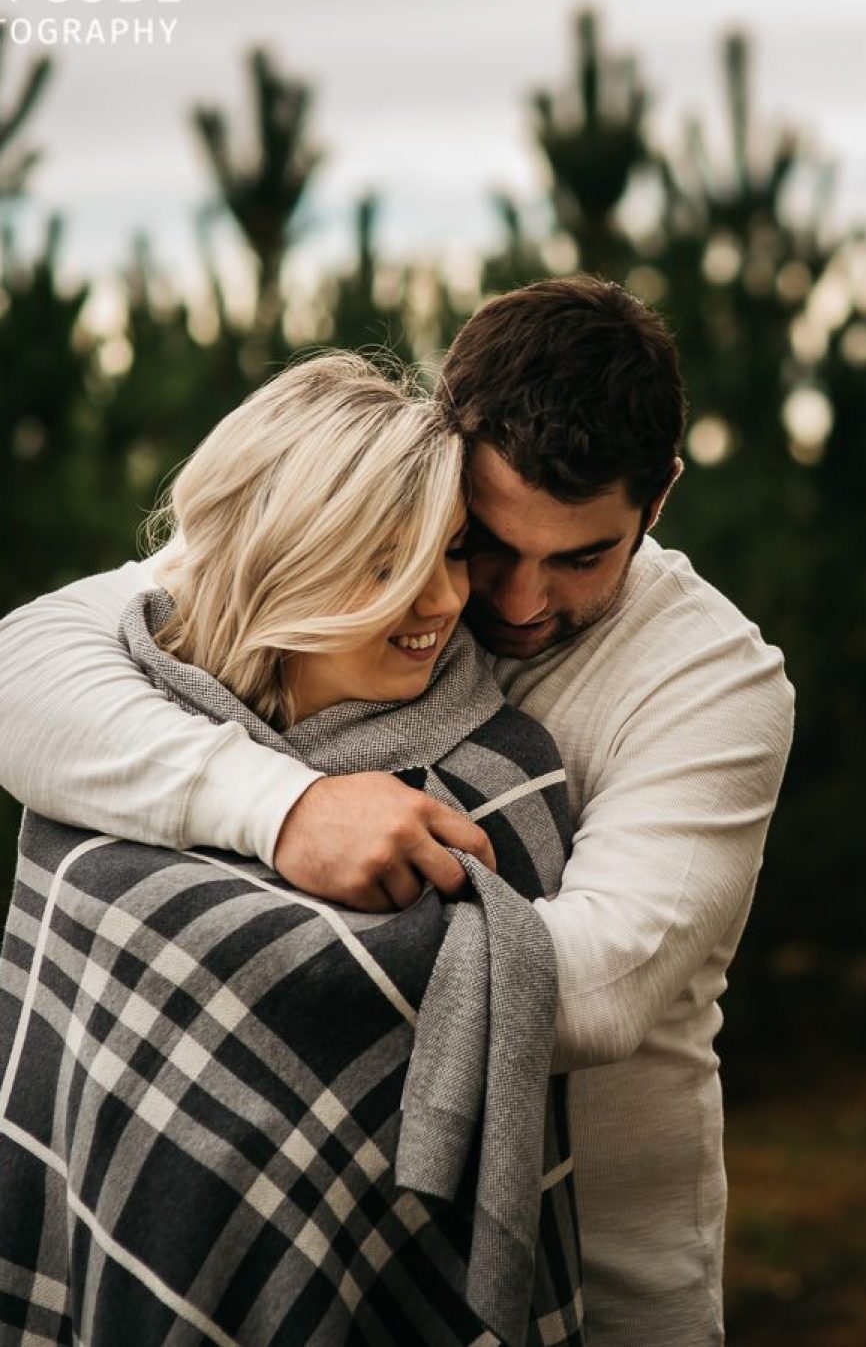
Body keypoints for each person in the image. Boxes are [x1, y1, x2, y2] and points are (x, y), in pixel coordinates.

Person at [0, 275, 797, 1345]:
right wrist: (287, 811)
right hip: (284, 1216)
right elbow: (26, 670)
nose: (514, 603)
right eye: (486, 543)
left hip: (600, 1277)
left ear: (658, 500)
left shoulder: (714, 681)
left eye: (581, 558)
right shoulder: (376, 543)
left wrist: (227, 944)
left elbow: (604, 983)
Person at [0, 352, 584, 1346]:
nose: (442, 601)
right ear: (285, 557)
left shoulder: (502, 773)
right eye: (385, 559)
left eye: (449, 551)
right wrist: (291, 809)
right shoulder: (115, 725)